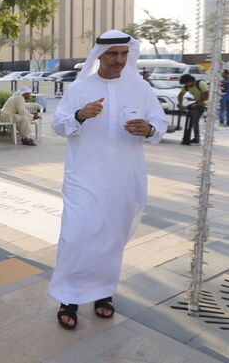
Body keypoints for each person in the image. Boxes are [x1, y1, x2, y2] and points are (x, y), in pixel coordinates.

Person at [50, 30, 167, 330]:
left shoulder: (140, 87)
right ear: (99, 55)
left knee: (112, 239)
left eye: (124, 54)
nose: (119, 60)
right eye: (113, 54)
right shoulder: (81, 87)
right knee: (77, 235)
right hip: (84, 177)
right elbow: (59, 124)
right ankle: (70, 297)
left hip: (124, 179)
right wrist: (80, 114)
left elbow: (160, 121)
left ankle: (103, 294)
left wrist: (149, 129)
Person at [178, 73, 209, 144]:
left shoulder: (201, 83)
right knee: (194, 121)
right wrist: (180, 104)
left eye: (186, 83)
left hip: (207, 105)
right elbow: (180, 95)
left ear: (191, 81)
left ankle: (207, 140)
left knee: (207, 123)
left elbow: (207, 96)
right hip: (198, 104)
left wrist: (196, 104)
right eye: (185, 84)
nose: (186, 85)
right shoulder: (186, 87)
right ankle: (196, 138)